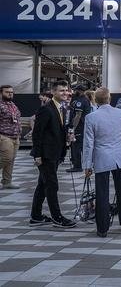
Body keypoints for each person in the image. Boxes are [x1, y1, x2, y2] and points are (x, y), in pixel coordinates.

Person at [82, 87, 121, 237]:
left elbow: (88, 143)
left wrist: (87, 165)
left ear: (95, 100)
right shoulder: (120, 113)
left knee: (102, 193)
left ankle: (102, 228)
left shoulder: (91, 117)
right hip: (119, 155)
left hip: (101, 157)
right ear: (109, 98)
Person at [29, 80, 77, 228]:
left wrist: (69, 136)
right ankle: (57, 217)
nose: (65, 93)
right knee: (51, 185)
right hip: (45, 154)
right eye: (61, 91)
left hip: (56, 153)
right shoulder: (46, 109)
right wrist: (37, 155)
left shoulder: (64, 108)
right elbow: (37, 133)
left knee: (43, 184)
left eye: (66, 90)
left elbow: (61, 129)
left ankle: (36, 216)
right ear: (53, 92)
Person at [66, 85, 92, 173]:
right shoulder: (78, 99)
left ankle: (77, 166)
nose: (74, 91)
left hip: (80, 126)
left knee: (76, 146)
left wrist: (73, 128)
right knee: (75, 146)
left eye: (76, 90)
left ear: (80, 91)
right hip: (80, 126)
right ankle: (77, 164)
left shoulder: (81, 101)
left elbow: (78, 115)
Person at [0, 85, 21, 189]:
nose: (10, 94)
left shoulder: (12, 105)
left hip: (15, 136)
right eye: (7, 92)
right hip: (4, 135)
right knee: (6, 158)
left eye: (11, 92)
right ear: (1, 93)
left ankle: (7, 181)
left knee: (11, 159)